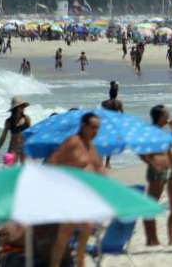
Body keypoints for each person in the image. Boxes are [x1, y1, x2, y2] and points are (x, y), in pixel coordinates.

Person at [47, 112, 104, 267]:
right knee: (66, 233)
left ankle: (78, 262)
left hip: (85, 197)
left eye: (97, 128)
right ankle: (70, 263)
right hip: (69, 195)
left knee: (84, 229)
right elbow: (52, 162)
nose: (95, 131)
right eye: (92, 127)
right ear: (83, 126)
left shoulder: (91, 146)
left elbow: (99, 169)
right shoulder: (73, 141)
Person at [142, 105, 172, 246]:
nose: (169, 117)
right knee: (151, 205)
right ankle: (151, 239)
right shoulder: (152, 132)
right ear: (160, 117)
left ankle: (152, 239)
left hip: (162, 171)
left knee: (152, 204)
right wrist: (152, 163)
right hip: (156, 172)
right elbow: (141, 151)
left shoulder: (159, 131)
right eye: (166, 115)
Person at [0, 97, 31, 163]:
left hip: (24, 148)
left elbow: (31, 133)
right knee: (9, 168)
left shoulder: (26, 119)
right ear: (16, 108)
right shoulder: (9, 121)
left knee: (24, 170)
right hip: (13, 148)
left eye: (23, 106)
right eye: (21, 106)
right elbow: (3, 137)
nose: (23, 108)